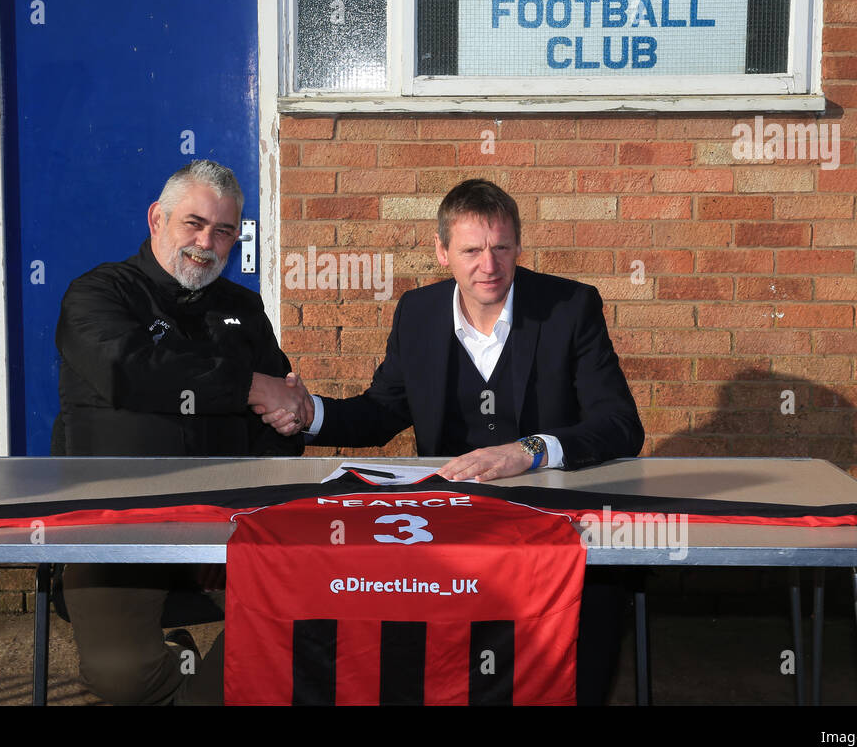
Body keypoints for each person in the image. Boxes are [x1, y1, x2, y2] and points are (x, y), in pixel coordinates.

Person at [259, 178, 645, 703]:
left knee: (597, 599)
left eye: (501, 247)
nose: (489, 265)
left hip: (552, 514)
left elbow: (621, 425)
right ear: (442, 251)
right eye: (471, 250)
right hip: (451, 517)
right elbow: (380, 414)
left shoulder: (570, 307)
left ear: (517, 247)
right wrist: (310, 414)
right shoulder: (418, 314)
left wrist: (529, 451)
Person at [52, 160, 309, 705]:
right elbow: (130, 371)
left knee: (314, 614)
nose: (205, 242)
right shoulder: (98, 294)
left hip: (231, 525)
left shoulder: (243, 308)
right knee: (122, 677)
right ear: (156, 218)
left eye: (223, 230)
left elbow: (278, 420)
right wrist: (248, 387)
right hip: (117, 528)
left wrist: (288, 418)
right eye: (193, 223)